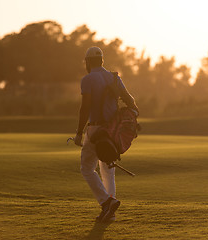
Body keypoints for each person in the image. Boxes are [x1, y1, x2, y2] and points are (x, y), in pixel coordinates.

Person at [74, 46, 138, 222]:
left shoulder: (87, 79)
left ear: (87, 62)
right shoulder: (114, 77)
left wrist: (79, 133)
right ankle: (110, 213)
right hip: (112, 131)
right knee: (108, 170)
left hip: (96, 130)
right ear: (102, 61)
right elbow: (130, 101)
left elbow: (85, 108)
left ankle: (106, 202)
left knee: (87, 168)